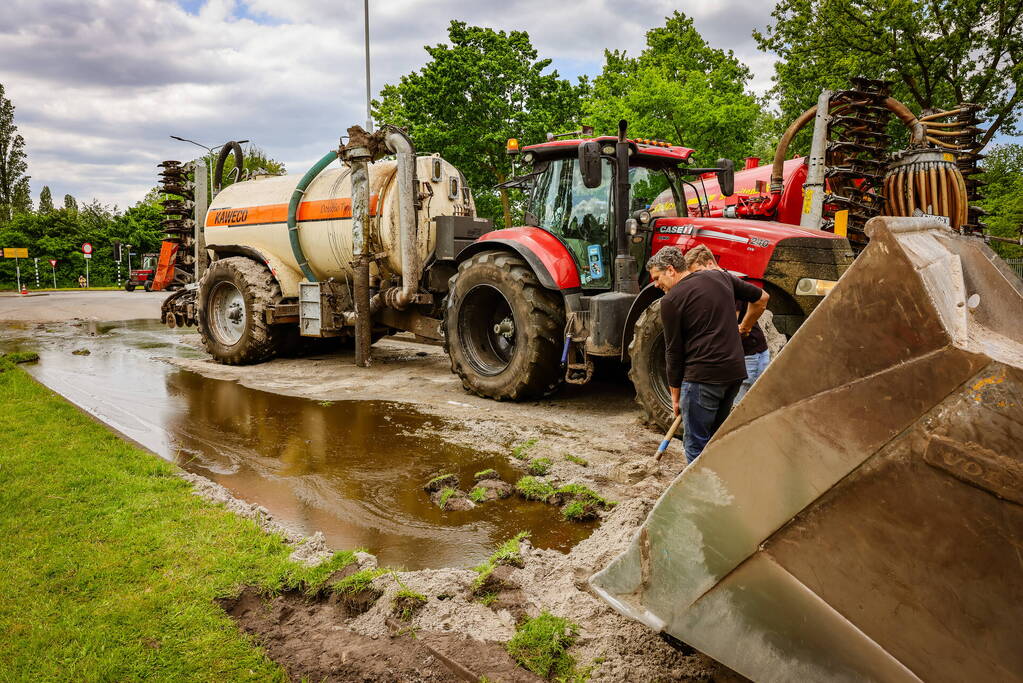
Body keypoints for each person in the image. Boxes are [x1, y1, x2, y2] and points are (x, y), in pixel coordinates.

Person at [646, 245, 769, 463]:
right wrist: (745, 327)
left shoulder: (671, 301)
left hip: (702, 379)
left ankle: (698, 492)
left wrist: (675, 397)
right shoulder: (719, 277)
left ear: (671, 270)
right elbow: (762, 298)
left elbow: (673, 352)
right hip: (733, 374)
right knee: (715, 440)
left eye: (657, 278)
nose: (656, 284)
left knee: (695, 445)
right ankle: (719, 483)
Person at [681, 245, 771, 404]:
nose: (697, 280)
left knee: (738, 413)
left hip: (750, 356)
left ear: (709, 264)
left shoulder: (726, 284)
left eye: (697, 273)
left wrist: (744, 327)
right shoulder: (717, 284)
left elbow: (758, 302)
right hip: (742, 356)